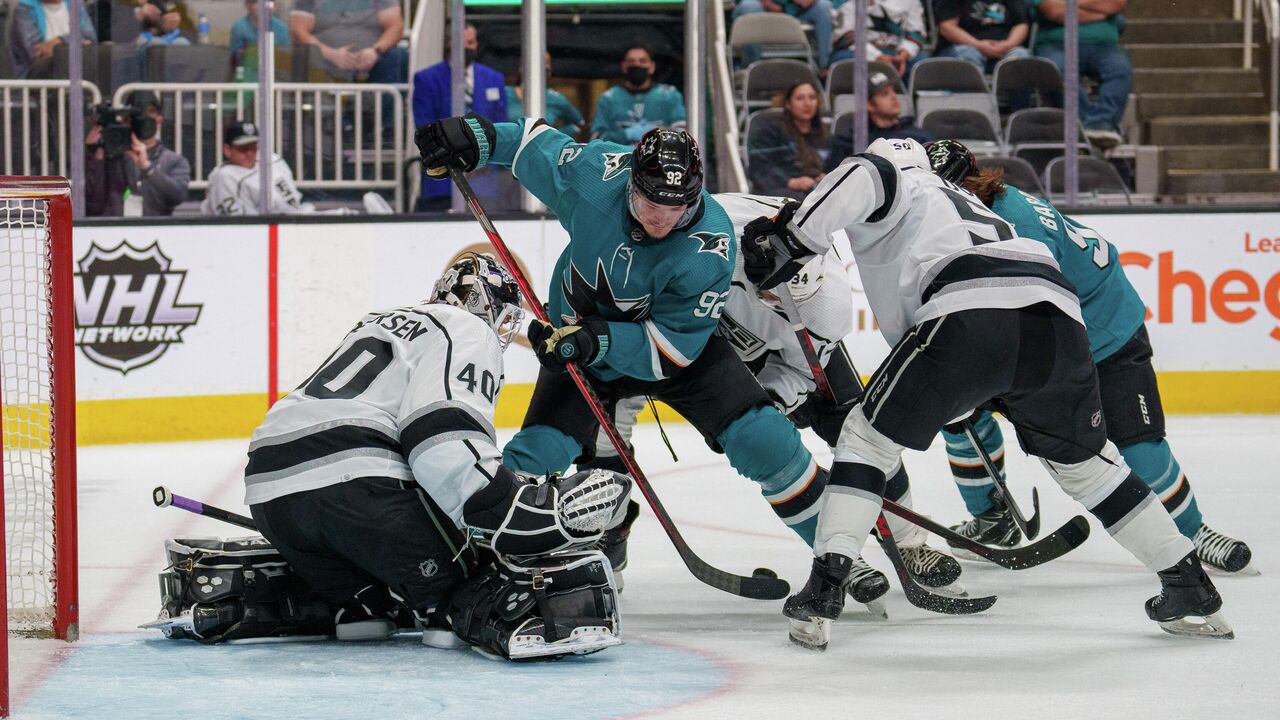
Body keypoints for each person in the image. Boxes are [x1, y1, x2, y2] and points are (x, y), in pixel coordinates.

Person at [739, 137, 1232, 648]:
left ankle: (824, 591)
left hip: (968, 304)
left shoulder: (897, 177)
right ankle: (1189, 585)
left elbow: (866, 171)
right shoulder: (958, 201)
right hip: (1056, 315)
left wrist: (790, 238)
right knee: (1089, 466)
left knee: (865, 441)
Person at [413, 118, 845, 599]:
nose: (661, 219)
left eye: (676, 208)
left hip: (673, 352)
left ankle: (839, 555)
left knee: (763, 439)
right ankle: (480, 567)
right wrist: (474, 137)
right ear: (630, 186)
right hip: (577, 344)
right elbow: (529, 146)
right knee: (529, 460)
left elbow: (674, 348)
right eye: (650, 204)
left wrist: (598, 340)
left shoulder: (711, 243)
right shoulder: (597, 175)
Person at [243, 253, 631, 658]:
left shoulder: (378, 320)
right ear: (485, 304)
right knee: (472, 578)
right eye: (503, 317)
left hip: (269, 491)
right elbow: (441, 434)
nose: (501, 329)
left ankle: (360, 606)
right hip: (357, 482)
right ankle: (446, 607)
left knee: (376, 600)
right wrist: (501, 501)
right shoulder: (466, 327)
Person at [593, 191, 965, 593]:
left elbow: (801, 373)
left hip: (765, 349)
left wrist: (769, 400)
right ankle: (609, 535)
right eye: (773, 296)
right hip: (687, 328)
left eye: (792, 301)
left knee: (858, 431)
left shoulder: (827, 307)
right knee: (603, 422)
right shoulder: (706, 241)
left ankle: (909, 541)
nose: (781, 306)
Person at [922, 139, 1256, 575]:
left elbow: (1032, 313)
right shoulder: (987, 205)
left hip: (1105, 331)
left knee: (1137, 443)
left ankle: (1194, 533)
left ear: (961, 186)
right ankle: (992, 518)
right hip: (1059, 320)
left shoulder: (1017, 226)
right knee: (959, 413)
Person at [412, 22, 507, 211]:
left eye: (475, 42)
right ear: (452, 44)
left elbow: (501, 125)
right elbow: (426, 128)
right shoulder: (427, 79)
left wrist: (480, 160)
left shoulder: (493, 78)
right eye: (469, 42)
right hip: (443, 183)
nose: (475, 46)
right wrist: (462, 161)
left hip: (485, 180)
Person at [1031, 0, 1132, 150]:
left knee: (1120, 68)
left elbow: (1116, 3)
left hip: (1104, 46)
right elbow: (1054, 11)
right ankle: (1085, 127)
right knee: (1057, 69)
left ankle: (1101, 123)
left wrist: (1069, 4)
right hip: (1056, 44)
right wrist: (1100, 14)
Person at [84, 93, 190, 217]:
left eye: (149, 113)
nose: (142, 120)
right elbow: (91, 201)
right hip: (115, 226)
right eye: (137, 115)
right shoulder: (110, 156)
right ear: (126, 120)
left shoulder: (173, 160)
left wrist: (148, 168)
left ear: (159, 121)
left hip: (154, 227)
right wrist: (97, 154)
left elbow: (178, 196)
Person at [826, 71, 933, 170]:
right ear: (869, 104)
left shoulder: (919, 136)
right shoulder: (851, 140)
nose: (894, 97)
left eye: (894, 91)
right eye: (885, 94)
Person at [202, 120, 313, 215]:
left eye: (253, 147)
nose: (250, 153)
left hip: (294, 222)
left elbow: (294, 201)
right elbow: (240, 225)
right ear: (227, 150)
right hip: (258, 230)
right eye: (243, 149)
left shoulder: (273, 161)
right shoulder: (223, 177)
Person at [290, 0, 407, 83]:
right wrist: (330, 54)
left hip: (372, 63)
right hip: (322, 61)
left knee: (399, 56)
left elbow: (395, 27)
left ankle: (385, 111)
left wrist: (375, 51)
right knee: (299, 55)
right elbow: (298, 30)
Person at [748, 82, 830, 200]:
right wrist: (791, 182)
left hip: (816, 190)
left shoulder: (824, 135)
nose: (807, 103)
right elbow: (760, 167)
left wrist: (827, 177)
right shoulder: (771, 132)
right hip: (783, 190)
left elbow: (834, 164)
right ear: (788, 104)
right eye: (800, 98)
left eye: (812, 98)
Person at [590, 45, 686, 144]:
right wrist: (625, 134)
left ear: (652, 67)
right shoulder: (609, 98)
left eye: (642, 61)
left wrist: (656, 133)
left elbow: (682, 134)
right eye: (631, 61)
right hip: (619, 153)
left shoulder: (669, 95)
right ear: (624, 66)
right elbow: (596, 139)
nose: (637, 65)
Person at [831, 0, 927, 78]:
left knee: (922, 63)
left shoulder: (912, 1)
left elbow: (916, 33)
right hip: (859, 52)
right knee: (845, 60)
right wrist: (877, 56)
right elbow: (847, 36)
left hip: (896, 54)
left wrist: (904, 54)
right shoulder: (844, 2)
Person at [732, 0, 835, 70]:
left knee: (824, 5)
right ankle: (753, 69)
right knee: (750, 6)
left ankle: (824, 68)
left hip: (795, 10)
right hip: (760, 6)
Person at [934, 0, 1032, 73]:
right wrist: (978, 45)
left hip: (1002, 49)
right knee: (968, 55)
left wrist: (1008, 44)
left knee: (1020, 57)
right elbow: (947, 27)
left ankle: (1012, 96)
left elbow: (1021, 24)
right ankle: (973, 95)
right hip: (961, 48)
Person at [9, 0, 97, 78]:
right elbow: (37, 54)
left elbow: (90, 39)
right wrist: (76, 42)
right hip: (37, 77)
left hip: (77, 70)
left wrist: (60, 40)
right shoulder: (24, 8)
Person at [505, 53, 584, 137]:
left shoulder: (555, 98)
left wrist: (555, 136)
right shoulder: (504, 93)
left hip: (543, 144)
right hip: (509, 144)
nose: (538, 72)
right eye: (533, 67)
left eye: (545, 69)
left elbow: (580, 123)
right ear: (521, 67)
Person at [229, 0, 291, 73]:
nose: (264, 6)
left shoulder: (282, 28)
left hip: (276, 71)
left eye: (270, 1)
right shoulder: (239, 28)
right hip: (249, 72)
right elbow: (236, 60)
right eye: (257, 2)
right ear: (247, 5)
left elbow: (285, 59)